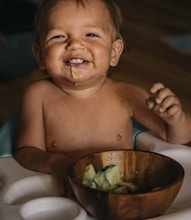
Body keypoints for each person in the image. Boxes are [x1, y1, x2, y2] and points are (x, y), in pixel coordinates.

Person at [14, 0, 191, 194]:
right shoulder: (38, 95)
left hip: (122, 196)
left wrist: (175, 118)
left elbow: (177, 137)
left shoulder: (127, 94)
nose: (75, 44)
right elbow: (26, 151)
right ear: (39, 56)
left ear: (114, 52)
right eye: (58, 36)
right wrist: (56, 163)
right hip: (67, 195)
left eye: (91, 34)